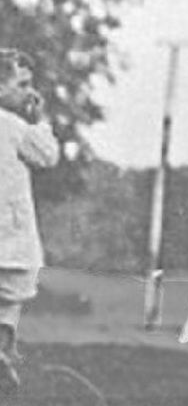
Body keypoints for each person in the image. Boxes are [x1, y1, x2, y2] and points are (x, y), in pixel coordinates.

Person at [0, 51, 58, 395]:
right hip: (9, 241)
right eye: (21, 84)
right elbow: (48, 154)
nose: (28, 92)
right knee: (7, 305)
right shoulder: (13, 127)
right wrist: (39, 118)